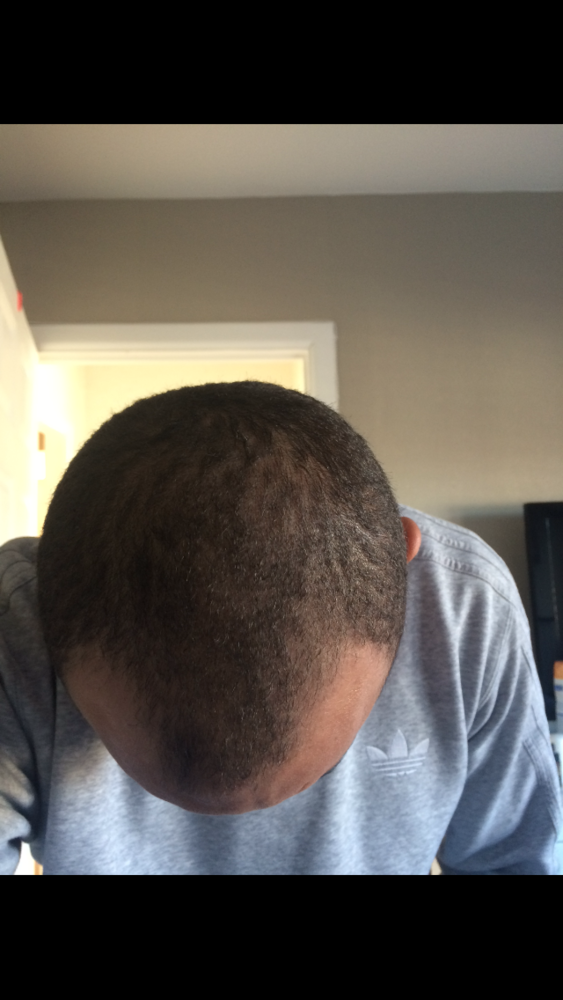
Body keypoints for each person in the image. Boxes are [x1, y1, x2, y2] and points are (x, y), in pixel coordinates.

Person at [0, 382, 560, 875]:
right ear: (50, 617)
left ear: (398, 569)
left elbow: (511, 861)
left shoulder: (465, 611)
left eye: (313, 776)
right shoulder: (13, 623)